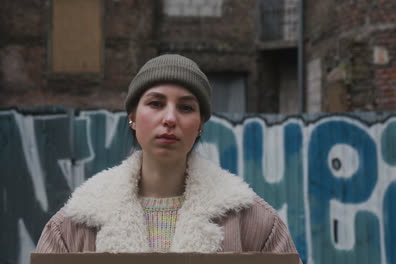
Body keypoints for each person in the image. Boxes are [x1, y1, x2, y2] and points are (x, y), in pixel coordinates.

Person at [35, 54, 300, 255]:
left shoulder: (254, 222)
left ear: (200, 126)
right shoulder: (76, 223)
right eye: (155, 103)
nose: (170, 118)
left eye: (186, 107)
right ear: (133, 118)